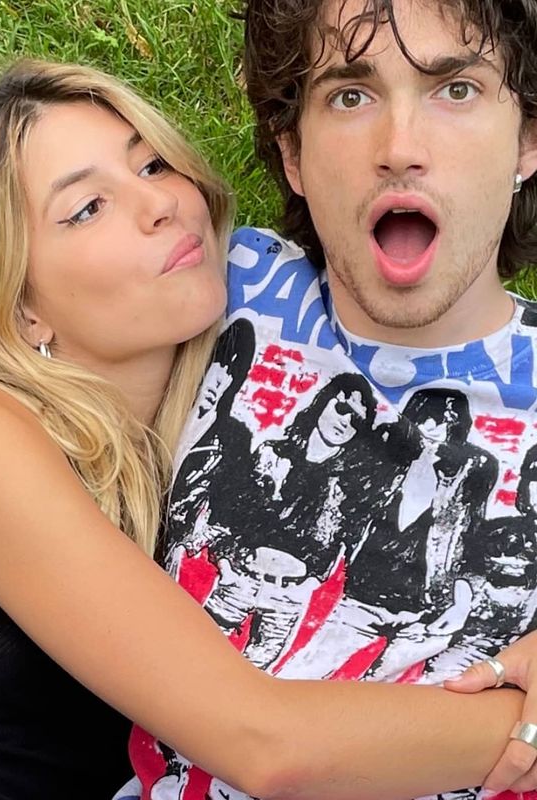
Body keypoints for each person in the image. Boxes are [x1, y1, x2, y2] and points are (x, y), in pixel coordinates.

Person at [0, 57, 532, 800]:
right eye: (87, 208)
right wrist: (520, 723)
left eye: (153, 164)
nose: (160, 203)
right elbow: (266, 742)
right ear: (18, 308)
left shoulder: (201, 432)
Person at [127, 1, 537, 799]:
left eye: (454, 89)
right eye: (351, 95)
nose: (400, 150)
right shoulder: (214, 293)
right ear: (293, 156)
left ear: (527, 139)